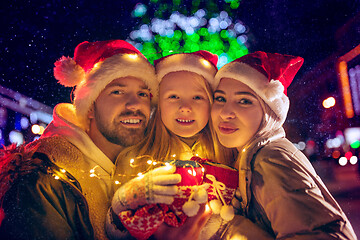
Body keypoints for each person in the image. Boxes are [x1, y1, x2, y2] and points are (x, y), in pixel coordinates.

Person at [0, 39, 160, 240]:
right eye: (117, 92)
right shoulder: (42, 179)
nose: (135, 104)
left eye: (143, 93)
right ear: (90, 106)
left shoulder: (147, 173)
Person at [210, 51, 357, 239]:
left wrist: (234, 228)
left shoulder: (270, 159)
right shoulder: (252, 156)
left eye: (244, 101)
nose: (225, 112)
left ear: (270, 112)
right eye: (220, 98)